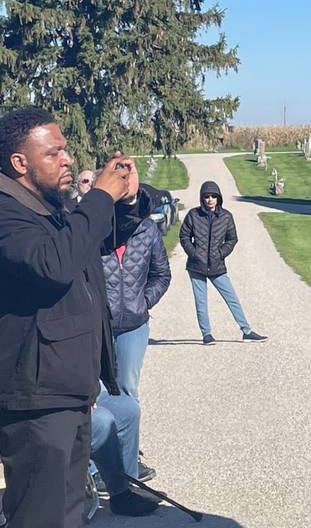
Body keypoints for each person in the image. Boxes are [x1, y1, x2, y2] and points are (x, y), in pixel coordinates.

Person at [0, 106, 149, 527]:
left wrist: (128, 198)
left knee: (70, 513)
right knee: (39, 517)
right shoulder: (8, 213)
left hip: (68, 390)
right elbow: (53, 263)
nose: (67, 159)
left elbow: (95, 240)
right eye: (54, 153)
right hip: (34, 400)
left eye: (66, 150)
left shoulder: (49, 207)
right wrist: (99, 196)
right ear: (19, 163)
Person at [102, 195, 171, 481]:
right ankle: (98, 462)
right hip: (98, 325)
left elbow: (161, 274)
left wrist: (143, 302)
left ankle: (129, 459)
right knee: (98, 391)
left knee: (128, 389)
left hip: (133, 323)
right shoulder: (95, 233)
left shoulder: (148, 231)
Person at [180, 180, 267, 344]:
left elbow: (232, 239)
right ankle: (207, 334)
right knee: (201, 301)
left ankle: (246, 331)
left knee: (232, 298)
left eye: (213, 196)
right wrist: (194, 253)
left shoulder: (226, 217)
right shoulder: (193, 215)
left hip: (217, 265)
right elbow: (184, 236)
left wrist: (221, 253)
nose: (210, 199)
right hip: (196, 266)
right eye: (206, 196)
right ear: (202, 198)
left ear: (218, 198)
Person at [91, 389, 159, 517]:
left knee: (128, 409)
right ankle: (119, 495)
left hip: (83, 388)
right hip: (53, 398)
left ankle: (127, 485)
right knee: (101, 421)